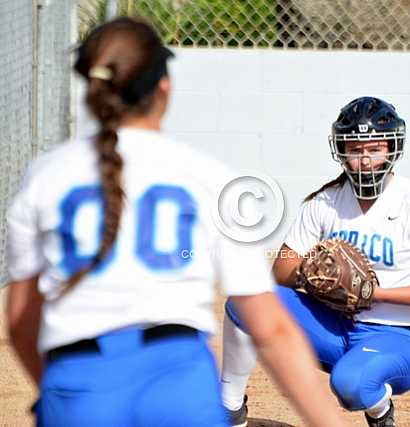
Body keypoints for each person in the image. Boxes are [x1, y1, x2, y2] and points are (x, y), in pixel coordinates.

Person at [5, 17, 350, 427]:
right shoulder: (204, 175)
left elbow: (22, 317)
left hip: (79, 378)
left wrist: (60, 391)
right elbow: (270, 327)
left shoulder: (46, 174)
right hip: (178, 383)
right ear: (163, 88)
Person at [221, 96, 410, 427]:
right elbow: (281, 271)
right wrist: (318, 277)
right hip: (335, 329)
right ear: (342, 151)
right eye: (355, 149)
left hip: (397, 337)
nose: (365, 160)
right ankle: (229, 411)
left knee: (351, 386)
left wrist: (374, 294)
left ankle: (380, 414)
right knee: (246, 300)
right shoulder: (326, 201)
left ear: (392, 149)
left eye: (375, 149)